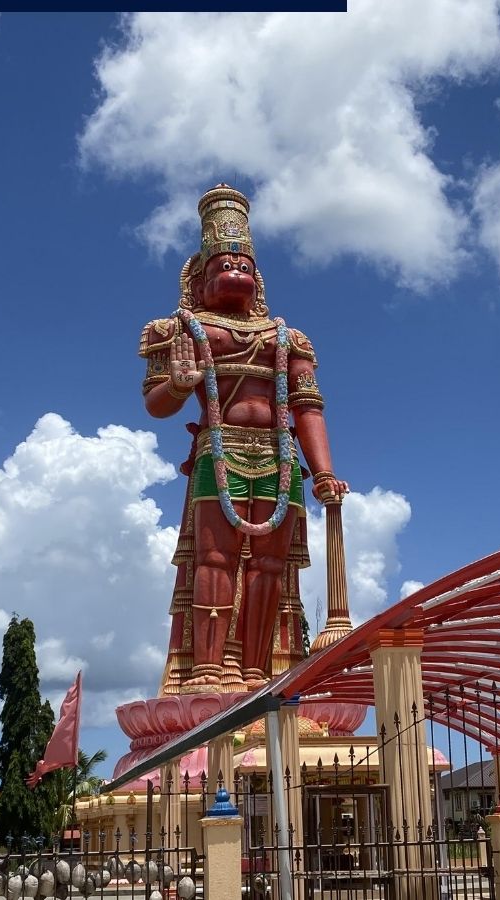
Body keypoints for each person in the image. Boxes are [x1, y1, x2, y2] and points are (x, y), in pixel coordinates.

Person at [139, 185, 348, 692]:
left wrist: (323, 472)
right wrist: (179, 384)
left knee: (271, 566)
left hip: (280, 457)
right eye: (220, 265)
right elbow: (156, 404)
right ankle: (208, 667)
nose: (234, 269)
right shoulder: (181, 328)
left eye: (244, 265)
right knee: (214, 558)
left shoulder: (288, 337)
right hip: (219, 450)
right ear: (199, 279)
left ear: (259, 280)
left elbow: (307, 407)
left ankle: (258, 670)